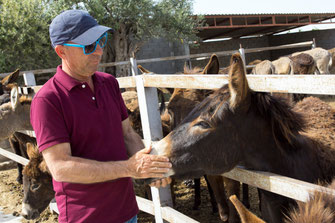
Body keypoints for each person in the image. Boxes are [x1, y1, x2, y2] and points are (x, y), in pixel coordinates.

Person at [30, 9, 172, 223]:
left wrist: (147, 163)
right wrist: (129, 168)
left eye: (101, 40)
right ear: (61, 51)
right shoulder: (48, 101)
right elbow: (60, 168)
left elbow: (127, 133)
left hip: (127, 211)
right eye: (88, 46)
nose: (98, 51)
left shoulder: (109, 83)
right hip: (86, 218)